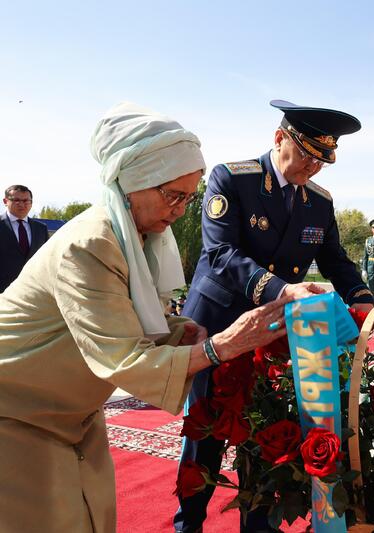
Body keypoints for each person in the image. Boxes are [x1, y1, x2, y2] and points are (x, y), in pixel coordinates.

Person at [0, 103, 289, 533]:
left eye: (188, 199)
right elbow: (123, 357)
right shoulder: (91, 243)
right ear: (133, 182)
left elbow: (120, 317)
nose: (178, 209)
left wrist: (174, 331)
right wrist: (222, 345)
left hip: (72, 411)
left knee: (94, 517)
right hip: (20, 415)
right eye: (172, 195)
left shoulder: (138, 236)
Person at [175, 99, 374, 533]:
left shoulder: (318, 202)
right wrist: (284, 290)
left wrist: (361, 298)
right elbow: (221, 253)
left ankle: (258, 525)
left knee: (266, 434)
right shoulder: (232, 179)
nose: (313, 168)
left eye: (323, 160)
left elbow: (336, 260)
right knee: (207, 436)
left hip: (273, 335)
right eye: (306, 154)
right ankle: (188, 523)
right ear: (279, 137)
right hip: (219, 324)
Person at [1, 185, 49, 292]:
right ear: (5, 201)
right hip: (3, 293)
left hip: (33, 292)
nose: (22, 204)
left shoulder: (41, 229)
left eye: (26, 200)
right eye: (16, 200)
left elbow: (46, 260)